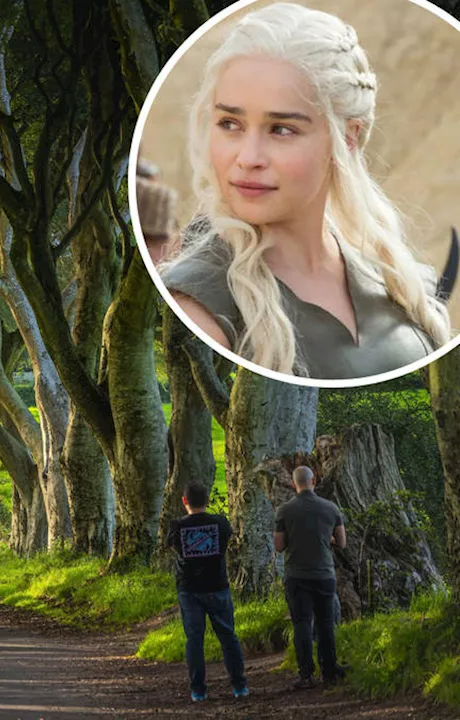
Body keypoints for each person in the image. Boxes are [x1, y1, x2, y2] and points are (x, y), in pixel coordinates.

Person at [154, 3, 451, 380]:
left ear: (348, 137)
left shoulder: (401, 281)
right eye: (230, 123)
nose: (248, 158)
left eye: (281, 129)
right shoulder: (197, 304)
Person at [166, 483, 248, 702]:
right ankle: (239, 686)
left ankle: (198, 690)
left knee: (194, 639)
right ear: (208, 500)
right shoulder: (220, 523)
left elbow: (170, 546)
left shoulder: (177, 526)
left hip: (189, 589)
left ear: (185, 501)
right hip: (218, 587)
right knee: (228, 637)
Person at [274, 465, 347, 689]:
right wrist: (328, 540)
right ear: (313, 481)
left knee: (302, 624)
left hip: (296, 575)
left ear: (294, 483)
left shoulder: (284, 511)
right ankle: (330, 669)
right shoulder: (331, 508)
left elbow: (279, 545)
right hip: (324, 574)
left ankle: (306, 674)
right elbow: (342, 543)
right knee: (326, 623)